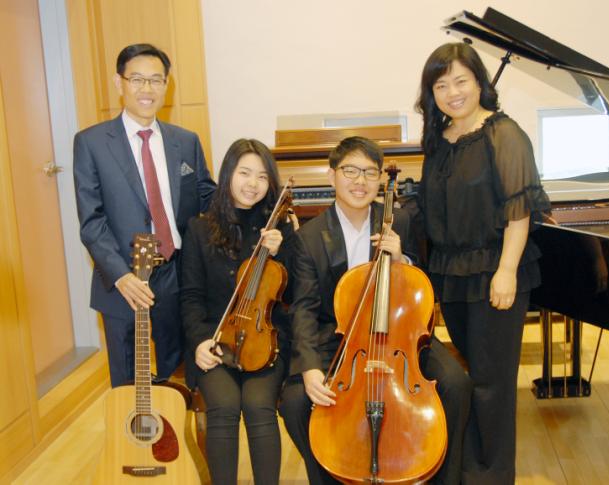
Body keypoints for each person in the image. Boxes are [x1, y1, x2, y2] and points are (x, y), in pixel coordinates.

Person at [279, 136, 472, 485]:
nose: (360, 181)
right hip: (338, 339)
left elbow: (421, 288)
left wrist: (402, 259)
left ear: (381, 179)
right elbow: (304, 307)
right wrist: (309, 368)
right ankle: (335, 474)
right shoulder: (309, 236)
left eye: (370, 172)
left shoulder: (398, 220)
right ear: (332, 176)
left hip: (400, 335)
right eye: (350, 171)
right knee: (294, 402)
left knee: (456, 385)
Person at [414, 42, 552, 485]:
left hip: (496, 272)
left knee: (493, 384)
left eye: (461, 81)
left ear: (479, 83)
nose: (452, 92)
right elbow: (430, 208)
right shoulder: (440, 140)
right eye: (441, 85)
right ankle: (469, 468)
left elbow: (519, 209)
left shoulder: (503, 134)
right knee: (472, 378)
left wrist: (506, 271)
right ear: (431, 93)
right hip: (453, 274)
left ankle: (491, 476)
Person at [73, 43, 216, 387]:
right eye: (137, 79)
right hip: (122, 276)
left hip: (176, 271)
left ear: (167, 85)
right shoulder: (91, 143)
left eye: (155, 80)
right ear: (118, 82)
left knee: (177, 374)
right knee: (127, 380)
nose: (146, 89)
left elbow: (208, 197)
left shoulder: (186, 141)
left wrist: (254, 201)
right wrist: (121, 276)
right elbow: (92, 221)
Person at [180, 138, 295, 485]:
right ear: (228, 173)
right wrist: (201, 341)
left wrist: (283, 252)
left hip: (266, 342)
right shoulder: (199, 229)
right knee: (224, 406)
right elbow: (191, 297)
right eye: (245, 173)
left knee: (259, 406)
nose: (252, 184)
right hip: (216, 342)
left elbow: (294, 294)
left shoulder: (279, 229)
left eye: (262, 176)